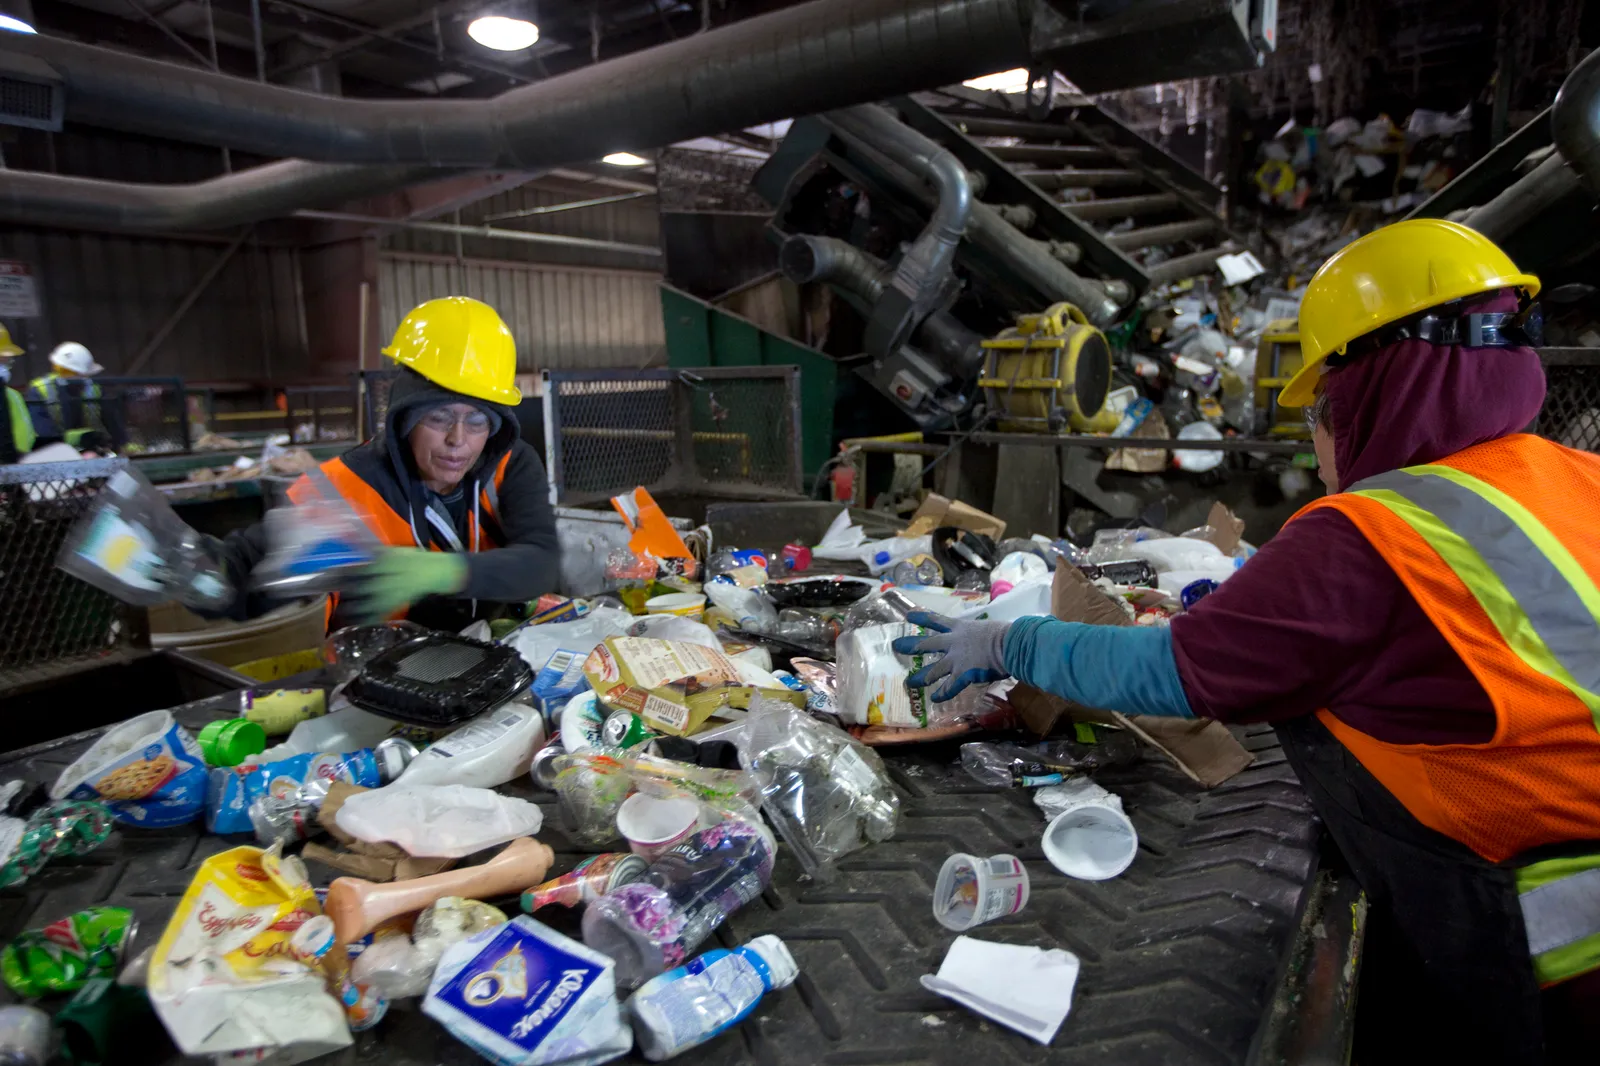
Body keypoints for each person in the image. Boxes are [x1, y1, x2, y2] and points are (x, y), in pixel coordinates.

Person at [896, 219, 1600, 1064]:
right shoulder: (1576, 477)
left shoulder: (1371, 534)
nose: (1322, 440)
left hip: (1554, 968)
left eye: (1323, 412)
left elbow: (1166, 671)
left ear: (1370, 388)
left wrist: (1012, 642)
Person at [211, 296, 561, 630]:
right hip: (375, 673)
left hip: (481, 661)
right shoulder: (342, 487)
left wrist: (446, 571)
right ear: (405, 418)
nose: (458, 440)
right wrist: (198, 572)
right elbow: (242, 571)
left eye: (477, 421)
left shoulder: (510, 465)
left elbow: (542, 561)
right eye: (439, 417)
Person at [28, 341, 112, 449]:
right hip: (56, 453)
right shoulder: (40, 390)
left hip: (95, 450)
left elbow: (113, 424)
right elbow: (44, 433)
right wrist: (79, 437)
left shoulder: (96, 389)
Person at [0, 326, 37, 462]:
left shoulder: (11, 395)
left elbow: (26, 437)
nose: (6, 366)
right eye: (2, 359)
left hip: (18, 468)